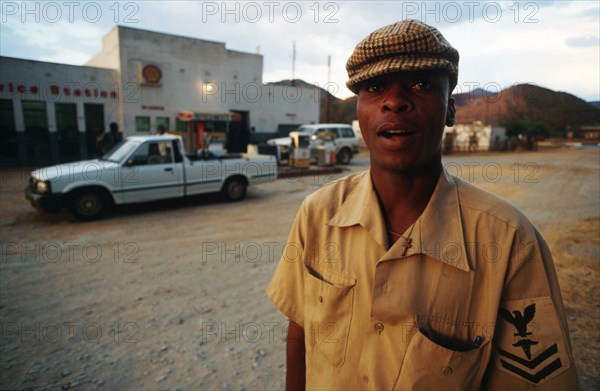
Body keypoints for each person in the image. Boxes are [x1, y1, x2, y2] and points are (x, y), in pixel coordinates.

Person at [266, 19, 579, 390]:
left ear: (450, 110)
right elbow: (300, 333)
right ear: (359, 111)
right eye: (375, 87)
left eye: (421, 85)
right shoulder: (318, 215)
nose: (394, 101)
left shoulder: (510, 242)